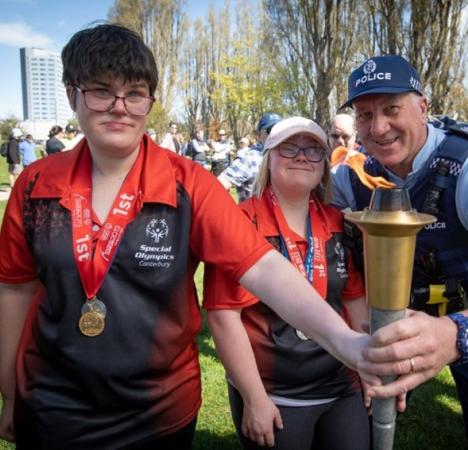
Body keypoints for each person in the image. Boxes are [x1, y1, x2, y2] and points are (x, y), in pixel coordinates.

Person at [0, 24, 369, 449]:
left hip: (159, 411)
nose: (119, 107)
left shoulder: (187, 184)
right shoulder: (34, 186)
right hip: (53, 406)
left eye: (135, 93)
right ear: (71, 94)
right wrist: (10, 394)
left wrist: (347, 343)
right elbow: (15, 292)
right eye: (101, 90)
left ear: (150, 102)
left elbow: (265, 267)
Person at [331, 55, 468, 449]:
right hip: (392, 320)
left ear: (423, 108)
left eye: (392, 109)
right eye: (364, 115)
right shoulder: (352, 174)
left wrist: (452, 336)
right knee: (362, 429)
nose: (377, 128)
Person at [205, 117, 369, 450]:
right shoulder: (241, 221)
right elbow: (224, 316)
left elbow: (354, 300)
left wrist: (365, 365)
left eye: (313, 150)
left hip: (341, 386)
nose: (301, 156)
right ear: (268, 157)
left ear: (324, 164)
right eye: (289, 148)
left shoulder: (339, 222)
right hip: (276, 394)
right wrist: (253, 398)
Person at [218, 113, 281, 203]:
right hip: (253, 215)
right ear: (259, 136)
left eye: (281, 130)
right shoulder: (251, 158)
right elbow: (217, 186)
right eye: (271, 130)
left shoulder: (291, 158)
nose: (277, 134)